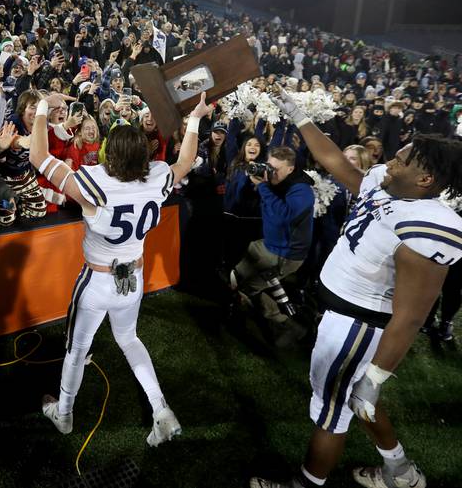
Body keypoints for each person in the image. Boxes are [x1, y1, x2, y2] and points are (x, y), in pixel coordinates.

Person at [250, 88, 462, 488]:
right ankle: (400, 471)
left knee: (333, 409)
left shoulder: (430, 225)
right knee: (354, 400)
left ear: (426, 179)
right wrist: (298, 116)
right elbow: (333, 160)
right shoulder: (388, 184)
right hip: (342, 315)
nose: (393, 158)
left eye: (404, 158)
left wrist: (378, 375)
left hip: (359, 324)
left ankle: (306, 483)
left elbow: (412, 313)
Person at [31, 92, 212, 446]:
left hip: (98, 280)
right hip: (134, 277)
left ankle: (64, 413)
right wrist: (195, 118)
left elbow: (39, 156)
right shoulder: (157, 176)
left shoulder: (93, 180)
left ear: (108, 153)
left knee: (77, 350)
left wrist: (42, 106)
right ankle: (161, 410)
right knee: (129, 339)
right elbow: (187, 159)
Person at [229, 146, 314, 345]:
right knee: (235, 276)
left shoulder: (302, 191)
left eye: (277, 169)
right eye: (269, 166)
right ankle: (239, 305)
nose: (271, 172)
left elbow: (283, 216)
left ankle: (287, 325)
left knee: (248, 288)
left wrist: (264, 187)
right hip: (268, 244)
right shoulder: (277, 180)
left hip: (286, 254)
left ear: (291, 169)